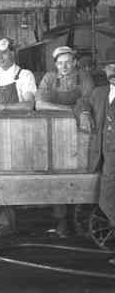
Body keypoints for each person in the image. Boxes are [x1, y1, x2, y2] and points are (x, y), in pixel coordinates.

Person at [0, 37, 37, 236]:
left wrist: (3, 107)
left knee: (10, 176)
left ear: (12, 53)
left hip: (18, 133)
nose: (1, 57)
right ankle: (1, 222)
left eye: (4, 53)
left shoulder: (24, 75)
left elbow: (29, 104)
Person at [36, 45, 95, 236]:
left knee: (80, 173)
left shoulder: (84, 77)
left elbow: (89, 100)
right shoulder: (49, 78)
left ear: (75, 62)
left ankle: (77, 217)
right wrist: (72, 111)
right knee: (57, 175)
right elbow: (40, 104)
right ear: (55, 64)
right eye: (60, 63)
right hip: (55, 133)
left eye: (68, 62)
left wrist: (82, 111)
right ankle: (61, 219)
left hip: (81, 135)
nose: (64, 66)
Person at [79, 55, 115, 265]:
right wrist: (84, 112)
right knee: (108, 197)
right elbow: (83, 101)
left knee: (109, 196)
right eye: (110, 66)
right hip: (104, 155)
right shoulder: (100, 92)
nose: (113, 71)